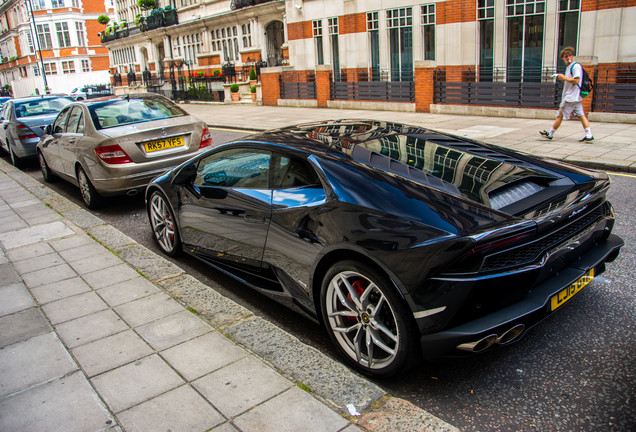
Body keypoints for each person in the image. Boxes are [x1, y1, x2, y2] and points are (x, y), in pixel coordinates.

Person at [539, 47, 593, 142]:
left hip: (571, 97)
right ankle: (589, 135)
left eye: (569, 56)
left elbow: (576, 80)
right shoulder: (569, 67)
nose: (567, 58)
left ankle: (550, 134)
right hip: (575, 97)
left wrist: (564, 78)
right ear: (563, 58)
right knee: (581, 115)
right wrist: (562, 78)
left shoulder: (575, 66)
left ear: (572, 56)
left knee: (560, 115)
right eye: (565, 57)